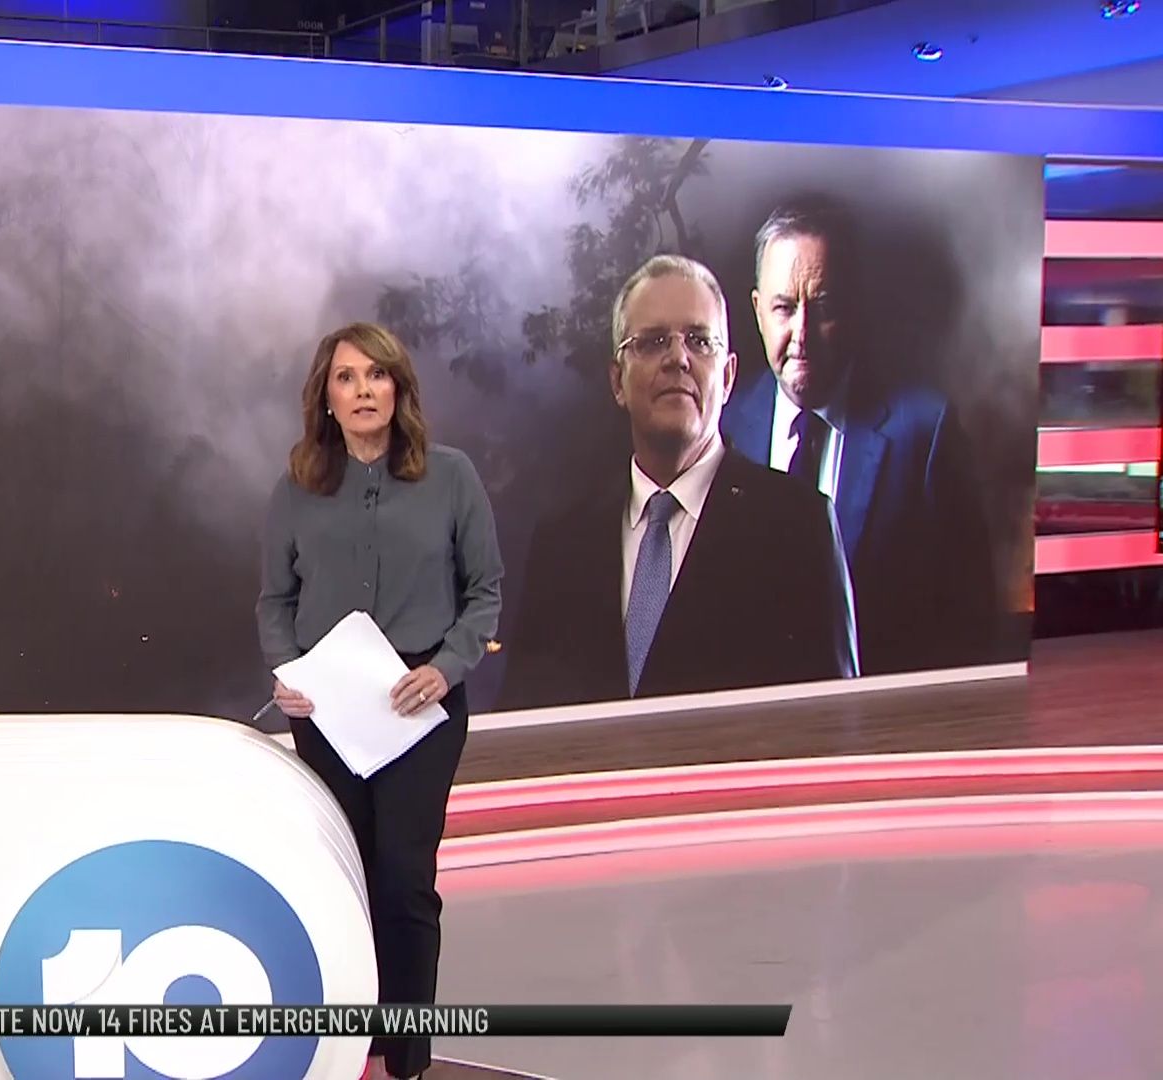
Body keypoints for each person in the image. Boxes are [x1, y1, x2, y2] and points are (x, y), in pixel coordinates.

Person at [256, 321, 502, 1080]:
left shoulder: (451, 476)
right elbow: (275, 601)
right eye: (346, 378)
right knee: (350, 879)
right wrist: (286, 671)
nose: (363, 390)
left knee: (403, 878)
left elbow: (485, 592)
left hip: (419, 708)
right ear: (326, 399)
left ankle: (408, 1055)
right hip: (329, 716)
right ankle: (355, 1043)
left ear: (399, 389)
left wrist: (448, 668)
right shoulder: (297, 488)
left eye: (377, 375)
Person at [503, 254, 857, 710]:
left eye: (699, 341)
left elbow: (834, 726)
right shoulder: (561, 543)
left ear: (727, 377)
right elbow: (526, 720)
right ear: (617, 381)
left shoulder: (798, 526)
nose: (678, 358)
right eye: (653, 342)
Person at [721, 198, 997, 674]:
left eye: (824, 306)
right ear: (757, 310)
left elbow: (971, 626)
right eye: (784, 308)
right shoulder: (724, 428)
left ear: (854, 307)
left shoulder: (925, 433)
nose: (802, 333)